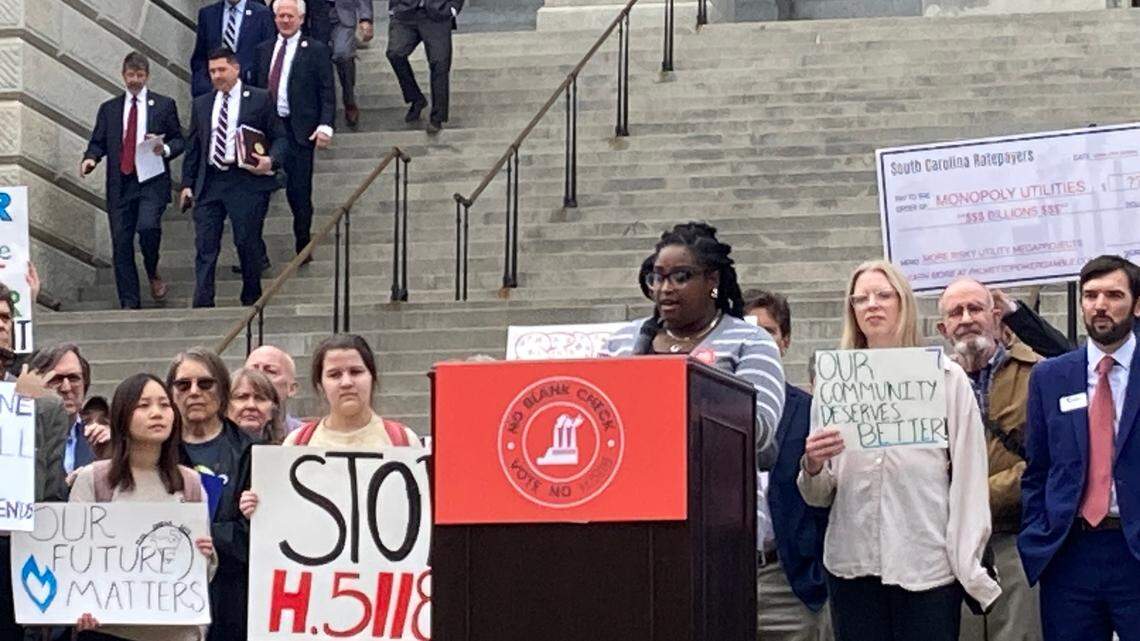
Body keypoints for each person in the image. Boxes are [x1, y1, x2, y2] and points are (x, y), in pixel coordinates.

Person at [798, 260, 999, 641]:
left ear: (903, 303)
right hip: (852, 563)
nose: (872, 304)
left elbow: (971, 477)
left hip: (926, 562)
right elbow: (819, 495)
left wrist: (967, 559)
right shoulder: (834, 382)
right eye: (861, 298)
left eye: (883, 295)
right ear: (852, 311)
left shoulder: (946, 376)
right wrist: (812, 463)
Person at [1020, 255, 1140, 640]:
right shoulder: (1050, 377)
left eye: (1113, 295)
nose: (1100, 305)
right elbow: (1037, 467)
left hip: (1134, 549)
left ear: (1137, 305)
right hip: (1070, 554)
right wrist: (1037, 533)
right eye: (1090, 295)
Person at [599, 222, 785, 470]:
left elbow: (759, 431)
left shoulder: (750, 341)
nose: (665, 288)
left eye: (681, 277)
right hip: (634, 495)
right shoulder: (619, 343)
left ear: (712, 280)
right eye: (657, 277)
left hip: (719, 496)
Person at [934, 278, 1043, 641]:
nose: (966, 318)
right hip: (952, 548)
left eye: (975, 309)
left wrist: (976, 497)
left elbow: (1047, 462)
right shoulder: (926, 385)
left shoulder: (1038, 374)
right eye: (955, 312)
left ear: (996, 315)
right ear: (942, 328)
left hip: (1016, 541)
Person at [70, 373, 216, 641]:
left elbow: (202, 575)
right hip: (109, 632)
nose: (157, 413)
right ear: (123, 416)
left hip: (176, 632)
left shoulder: (190, 482)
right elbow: (75, 562)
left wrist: (204, 555)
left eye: (164, 404)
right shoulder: (93, 479)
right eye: (144, 405)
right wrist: (79, 609)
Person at [238, 334, 418, 518]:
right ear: (320, 385)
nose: (346, 382)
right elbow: (283, 514)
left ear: (372, 377)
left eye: (356, 372)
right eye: (334, 374)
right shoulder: (297, 443)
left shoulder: (404, 441)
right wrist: (259, 505)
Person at [743, 289, 831, 641]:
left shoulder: (811, 411)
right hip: (720, 578)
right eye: (745, 332)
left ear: (785, 341)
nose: (755, 341)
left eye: (765, 332)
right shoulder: (700, 406)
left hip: (789, 582)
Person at [180, 46, 287, 308]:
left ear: (235, 68)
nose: (217, 75)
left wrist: (270, 160)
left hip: (244, 180)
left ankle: (251, 295)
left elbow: (280, 137)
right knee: (205, 244)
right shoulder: (202, 104)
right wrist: (186, 184)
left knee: (246, 240)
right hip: (211, 181)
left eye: (222, 70)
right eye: (212, 71)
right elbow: (194, 146)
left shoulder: (260, 98)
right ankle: (203, 301)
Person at [80, 52, 184, 308]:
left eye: (139, 76)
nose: (135, 80)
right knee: (121, 241)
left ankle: (152, 269)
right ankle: (129, 301)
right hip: (121, 182)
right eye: (130, 75)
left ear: (147, 76)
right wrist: (91, 158)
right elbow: (98, 141)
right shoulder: (110, 109)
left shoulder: (163, 105)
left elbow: (180, 139)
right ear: (123, 75)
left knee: (148, 227)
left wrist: (166, 150)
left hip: (151, 179)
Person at [167, 348, 257, 641]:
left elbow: (257, 534)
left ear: (222, 390)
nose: (194, 392)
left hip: (231, 600)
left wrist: (208, 539)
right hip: (167, 597)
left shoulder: (251, 452)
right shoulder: (155, 450)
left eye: (205, 384)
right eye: (183, 385)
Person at [0, 283, 69, 640]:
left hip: (13, 561)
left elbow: (54, 496)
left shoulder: (43, 405)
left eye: (6, 317)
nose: (2, 325)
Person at [254, 0, 335, 260]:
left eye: (290, 16)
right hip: (269, 129)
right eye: (280, 16)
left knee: (299, 192)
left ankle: (303, 240)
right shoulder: (263, 50)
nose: (285, 20)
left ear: (301, 18)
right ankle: (256, 251)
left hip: (299, 130)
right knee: (258, 192)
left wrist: (325, 126)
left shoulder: (315, 49)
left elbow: (327, 91)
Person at [29, 343, 111, 476]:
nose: (66, 388)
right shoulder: (21, 440)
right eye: (56, 379)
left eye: (74, 378)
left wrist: (115, 451)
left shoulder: (99, 441)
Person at [386, 0, 460, 133]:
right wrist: (393, 8)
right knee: (395, 53)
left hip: (438, 14)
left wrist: (453, 8)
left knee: (439, 63)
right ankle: (415, 97)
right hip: (406, 12)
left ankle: (437, 118)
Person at [190, 0, 276, 97]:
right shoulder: (208, 14)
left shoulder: (263, 14)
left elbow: (268, 57)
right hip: (214, 93)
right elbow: (200, 57)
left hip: (250, 94)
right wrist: (203, 89)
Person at [323, 0, 374, 129]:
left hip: (343, 16)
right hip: (314, 15)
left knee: (343, 54)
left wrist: (365, 18)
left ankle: (349, 100)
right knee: (318, 59)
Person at [244, 345, 303, 431]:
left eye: (270, 371)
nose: (259, 376)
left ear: (291, 389)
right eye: (252, 371)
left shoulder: (306, 438)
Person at [228, 366, 285, 443]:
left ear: (273, 408)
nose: (251, 405)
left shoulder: (286, 450)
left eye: (260, 398)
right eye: (241, 397)